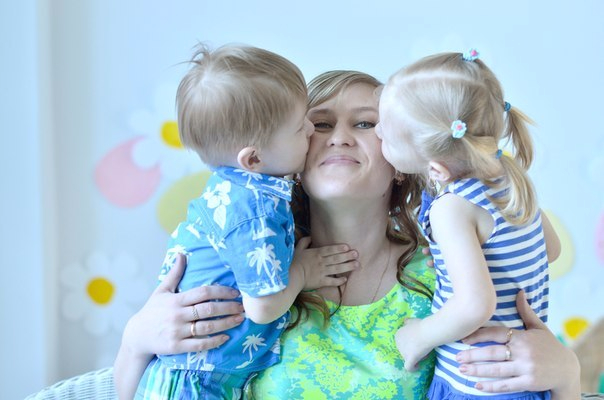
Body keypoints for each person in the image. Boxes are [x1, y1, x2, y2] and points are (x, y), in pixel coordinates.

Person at [114, 69, 581, 400]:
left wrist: (565, 375)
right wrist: (135, 341)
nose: (339, 136)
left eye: (365, 123)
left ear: (403, 155)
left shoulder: (450, 271)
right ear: (289, 151)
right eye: (320, 124)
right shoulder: (248, 269)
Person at [132, 45, 359, 400]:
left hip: (191, 372)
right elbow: (263, 307)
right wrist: (302, 271)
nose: (310, 129)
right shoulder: (254, 210)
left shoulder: (236, 190)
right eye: (299, 127)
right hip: (197, 382)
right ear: (253, 159)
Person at [376, 49, 561, 399]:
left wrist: (418, 336)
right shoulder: (510, 178)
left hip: (476, 387)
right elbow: (550, 250)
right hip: (522, 381)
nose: (378, 130)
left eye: (385, 134)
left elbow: (476, 305)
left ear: (436, 169)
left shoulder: (452, 208)